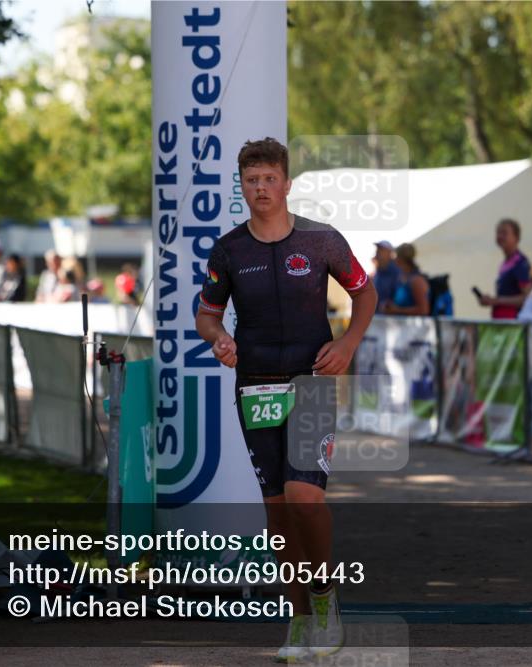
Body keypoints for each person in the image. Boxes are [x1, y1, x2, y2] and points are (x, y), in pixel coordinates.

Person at [195, 138, 376, 662]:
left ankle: (324, 599)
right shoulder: (229, 249)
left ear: (287, 183)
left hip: (312, 379)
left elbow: (364, 293)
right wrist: (218, 338)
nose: (261, 189)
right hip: (254, 384)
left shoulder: (321, 241)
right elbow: (206, 313)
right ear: (241, 187)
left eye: (270, 179)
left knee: (305, 497)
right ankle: (297, 618)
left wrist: (347, 344)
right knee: (276, 510)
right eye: (252, 181)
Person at [475, 218, 532, 319]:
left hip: (514, 324)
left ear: (516, 237)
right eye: (498, 232)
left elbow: (527, 298)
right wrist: (492, 301)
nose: (500, 236)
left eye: (504, 233)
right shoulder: (506, 263)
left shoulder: (520, 263)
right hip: (502, 322)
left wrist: (497, 300)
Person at [383, 243, 430, 316]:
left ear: (401, 258)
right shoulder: (401, 278)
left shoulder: (417, 280)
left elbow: (424, 310)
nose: (394, 259)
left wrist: (397, 310)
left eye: (396, 256)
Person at [371, 240, 399, 312]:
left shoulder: (396, 271)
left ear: (390, 253)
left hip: (391, 318)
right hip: (377, 315)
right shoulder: (378, 271)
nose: (377, 252)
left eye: (381, 250)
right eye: (378, 250)